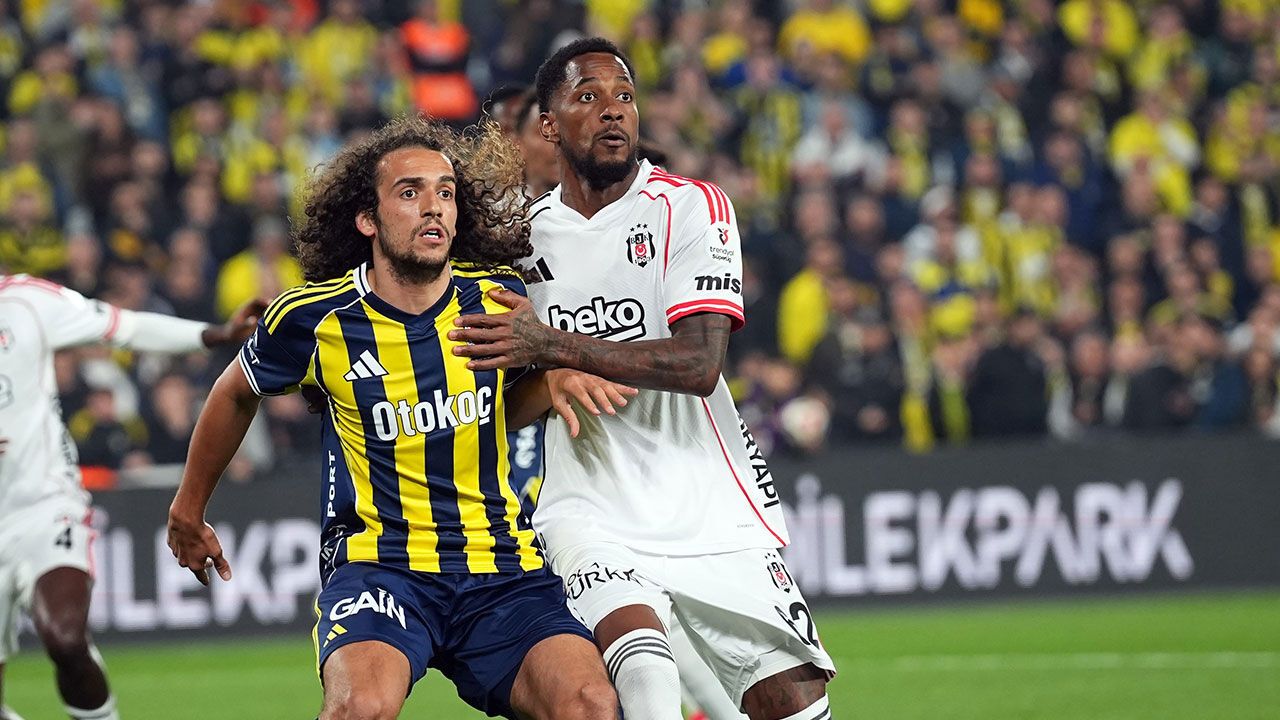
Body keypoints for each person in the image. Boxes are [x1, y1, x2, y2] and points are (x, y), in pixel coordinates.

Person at [165, 117, 623, 720]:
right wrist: (188, 508)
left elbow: (501, 410)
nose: (433, 207)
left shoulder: (497, 298)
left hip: (501, 566)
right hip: (381, 569)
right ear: (368, 219)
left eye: (445, 193)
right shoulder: (313, 319)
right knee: (361, 708)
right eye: (410, 192)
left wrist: (551, 377)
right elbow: (234, 394)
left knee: (591, 705)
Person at [452, 38, 836, 720]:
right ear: (549, 126)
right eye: (589, 96)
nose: (613, 110)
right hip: (588, 503)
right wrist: (546, 377)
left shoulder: (691, 207)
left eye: (624, 96)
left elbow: (699, 364)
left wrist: (554, 345)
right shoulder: (522, 242)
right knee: (646, 673)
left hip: (705, 496)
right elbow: (498, 408)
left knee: (792, 702)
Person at [0, 273, 264, 720]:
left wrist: (215, 334)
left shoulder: (25, 302)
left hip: (44, 507)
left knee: (65, 638)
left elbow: (126, 327)